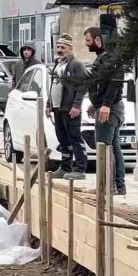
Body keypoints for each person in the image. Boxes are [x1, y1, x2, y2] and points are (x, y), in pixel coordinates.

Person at [85, 27, 127, 195]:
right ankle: (118, 186)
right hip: (109, 107)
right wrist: (95, 104)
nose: (86, 44)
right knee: (113, 147)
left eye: (88, 41)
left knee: (104, 148)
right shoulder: (106, 57)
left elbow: (115, 82)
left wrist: (106, 104)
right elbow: (102, 84)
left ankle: (107, 186)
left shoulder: (109, 57)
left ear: (97, 40)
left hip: (110, 109)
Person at [47, 34, 88, 180]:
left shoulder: (75, 65)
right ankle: (65, 166)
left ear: (70, 48)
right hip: (58, 108)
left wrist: (76, 105)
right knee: (62, 138)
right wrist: (49, 104)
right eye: (58, 47)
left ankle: (80, 168)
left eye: (63, 47)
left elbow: (83, 85)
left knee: (74, 137)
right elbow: (53, 86)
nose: (59, 50)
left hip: (70, 108)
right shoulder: (57, 64)